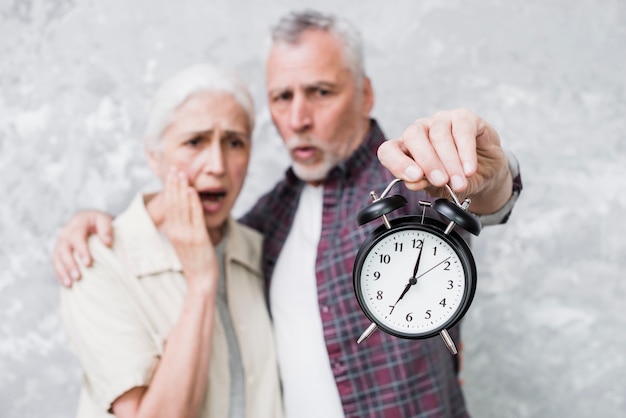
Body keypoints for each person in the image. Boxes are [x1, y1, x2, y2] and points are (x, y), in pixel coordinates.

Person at [54, 10, 522, 418]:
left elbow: (487, 198)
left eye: (320, 92)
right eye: (282, 97)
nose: (298, 118)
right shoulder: (263, 222)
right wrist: (97, 224)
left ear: (365, 95)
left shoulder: (413, 180)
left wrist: (490, 171)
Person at [59, 64, 283, 418]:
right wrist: (201, 283)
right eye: (195, 142)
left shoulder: (263, 250)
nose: (217, 164)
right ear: (154, 155)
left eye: (234, 142)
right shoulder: (95, 262)